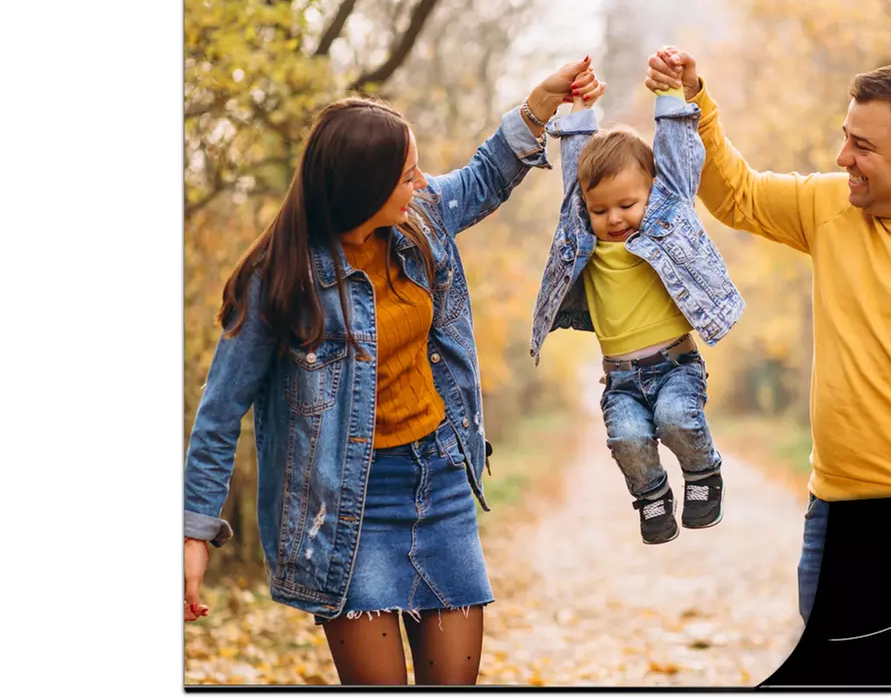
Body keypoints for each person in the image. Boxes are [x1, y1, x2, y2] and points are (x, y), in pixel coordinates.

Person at [182, 57, 599, 685]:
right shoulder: (279, 279)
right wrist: (193, 532)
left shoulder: (419, 218)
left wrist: (540, 107)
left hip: (440, 483)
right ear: (363, 190)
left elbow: (486, 177)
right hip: (347, 506)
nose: (422, 182)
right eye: (407, 175)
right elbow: (218, 415)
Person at [645, 47, 891, 623]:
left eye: (863, 146)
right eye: (845, 137)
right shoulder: (831, 206)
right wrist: (694, 101)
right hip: (832, 516)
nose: (843, 157)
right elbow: (738, 195)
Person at [528, 64, 744, 545]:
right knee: (625, 438)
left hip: (675, 365)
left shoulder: (667, 218)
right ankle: (651, 495)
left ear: (651, 192)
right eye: (601, 209)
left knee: (675, 418)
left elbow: (677, 158)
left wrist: (670, 95)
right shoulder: (583, 232)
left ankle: (703, 473)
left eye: (627, 204)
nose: (614, 218)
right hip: (621, 376)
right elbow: (575, 175)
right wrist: (581, 112)